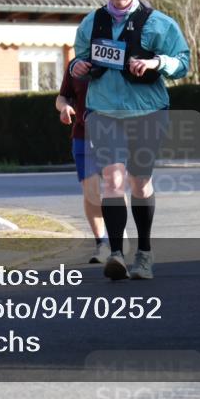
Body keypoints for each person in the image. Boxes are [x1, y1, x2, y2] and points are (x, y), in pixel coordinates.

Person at [69, 0, 190, 280]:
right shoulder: (91, 23)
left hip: (147, 111)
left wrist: (156, 63)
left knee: (140, 181)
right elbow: (77, 63)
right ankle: (118, 254)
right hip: (103, 110)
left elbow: (183, 61)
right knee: (112, 180)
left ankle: (145, 253)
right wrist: (77, 67)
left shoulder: (159, 23)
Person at [55, 68, 110, 264]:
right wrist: (64, 107)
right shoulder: (75, 66)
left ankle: (116, 234)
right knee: (91, 192)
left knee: (115, 188)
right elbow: (62, 97)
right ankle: (102, 243)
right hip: (82, 135)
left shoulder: (116, 56)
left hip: (114, 134)